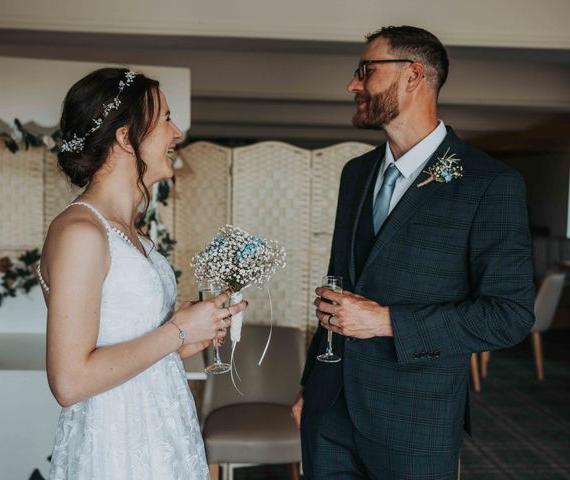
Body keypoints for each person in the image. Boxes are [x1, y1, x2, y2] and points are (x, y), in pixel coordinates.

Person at [291, 26, 535, 479]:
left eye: (366, 70)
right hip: (328, 413)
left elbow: (510, 315)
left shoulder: (489, 184)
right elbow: (340, 286)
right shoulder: (356, 174)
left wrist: (385, 321)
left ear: (413, 75)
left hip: (415, 420)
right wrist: (312, 384)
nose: (353, 84)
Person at [38, 67, 247, 479]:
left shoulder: (131, 231)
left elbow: (129, 344)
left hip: (160, 427)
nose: (177, 133)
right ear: (124, 137)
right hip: (117, 442)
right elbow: (69, 381)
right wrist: (177, 332)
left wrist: (188, 334)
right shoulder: (82, 231)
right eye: (166, 118)